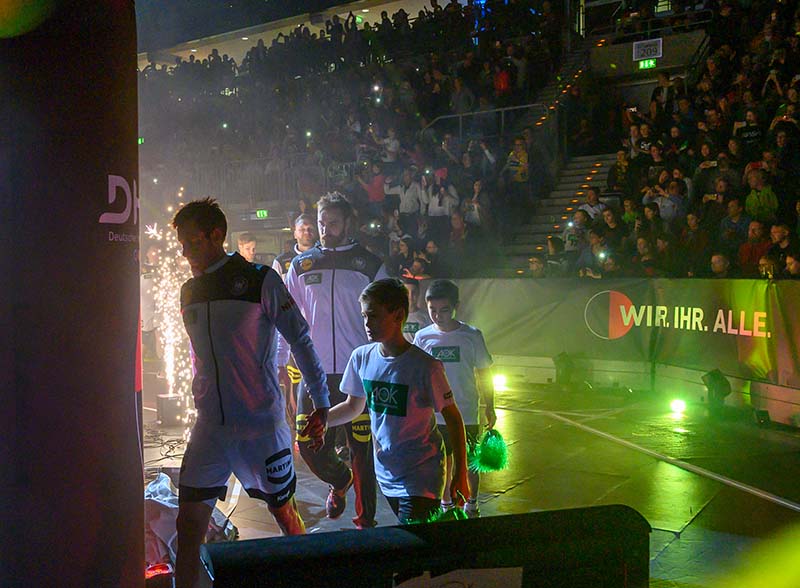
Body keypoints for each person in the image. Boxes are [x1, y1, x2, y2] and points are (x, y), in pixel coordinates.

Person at [171, 199, 329, 588]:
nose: (185, 252)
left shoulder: (260, 279)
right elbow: (197, 356)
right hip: (210, 428)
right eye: (181, 244)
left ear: (217, 235)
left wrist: (321, 403)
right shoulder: (189, 290)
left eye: (191, 242)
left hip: (260, 426)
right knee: (188, 523)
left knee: (285, 516)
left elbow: (301, 341)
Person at [304, 278, 469, 524]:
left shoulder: (425, 367)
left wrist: (460, 473)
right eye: (364, 316)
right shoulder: (361, 357)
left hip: (422, 475)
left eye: (373, 316)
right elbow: (353, 406)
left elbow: (453, 419)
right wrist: (323, 419)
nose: (367, 324)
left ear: (398, 315)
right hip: (386, 474)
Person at [282, 192, 388, 530]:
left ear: (348, 224)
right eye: (321, 223)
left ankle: (366, 520)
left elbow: (387, 317)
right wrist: (283, 368)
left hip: (358, 372)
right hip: (313, 373)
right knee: (307, 444)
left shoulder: (370, 264)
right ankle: (340, 481)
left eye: (333, 223)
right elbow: (288, 319)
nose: (325, 230)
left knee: (362, 451)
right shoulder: (301, 265)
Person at [414, 280, 495, 517]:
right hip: (434, 415)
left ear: (457, 306)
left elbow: (484, 374)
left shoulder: (471, 336)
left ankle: (472, 502)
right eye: (433, 310)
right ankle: (446, 503)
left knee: (469, 462)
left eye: (445, 309)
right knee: (441, 464)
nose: (438, 316)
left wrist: (490, 406)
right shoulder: (422, 337)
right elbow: (417, 375)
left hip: (466, 412)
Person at [272, 213, 318, 279]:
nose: (306, 232)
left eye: (310, 228)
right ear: (295, 234)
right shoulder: (280, 262)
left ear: (316, 232)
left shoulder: (325, 258)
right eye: (302, 229)